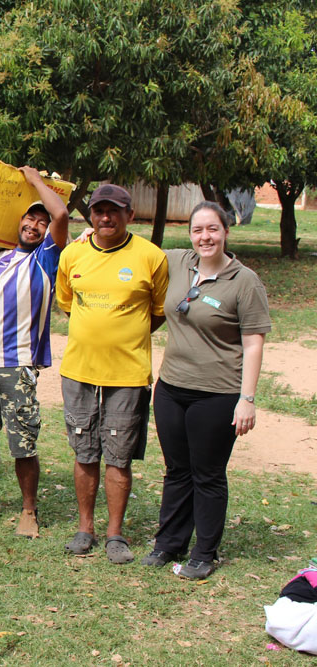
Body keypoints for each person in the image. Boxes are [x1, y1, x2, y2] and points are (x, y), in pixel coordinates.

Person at [140, 202, 270, 579]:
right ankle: (169, 543)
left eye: (212, 229)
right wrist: (89, 236)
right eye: (198, 230)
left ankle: (204, 552)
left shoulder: (244, 281)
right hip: (171, 388)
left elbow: (254, 343)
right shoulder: (179, 261)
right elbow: (133, 250)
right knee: (176, 470)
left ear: (226, 232)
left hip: (217, 393)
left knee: (207, 474)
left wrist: (247, 399)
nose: (205, 237)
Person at [57, 183, 168, 563]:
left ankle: (115, 534)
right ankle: (84, 528)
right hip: (79, 370)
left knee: (118, 455)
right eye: (99, 211)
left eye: (114, 211)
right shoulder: (72, 255)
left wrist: (124, 338)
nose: (106, 218)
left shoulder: (151, 257)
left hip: (128, 374)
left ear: (129, 216)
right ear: (90, 215)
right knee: (84, 449)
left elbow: (158, 312)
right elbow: (68, 306)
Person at [0, 167, 69, 538]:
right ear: (18, 222)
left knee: (22, 440)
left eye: (40, 221)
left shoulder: (47, 257)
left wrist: (36, 182)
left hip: (17, 364)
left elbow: (62, 215)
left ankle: (29, 511)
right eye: (29, 218)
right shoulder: (1, 258)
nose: (34, 226)